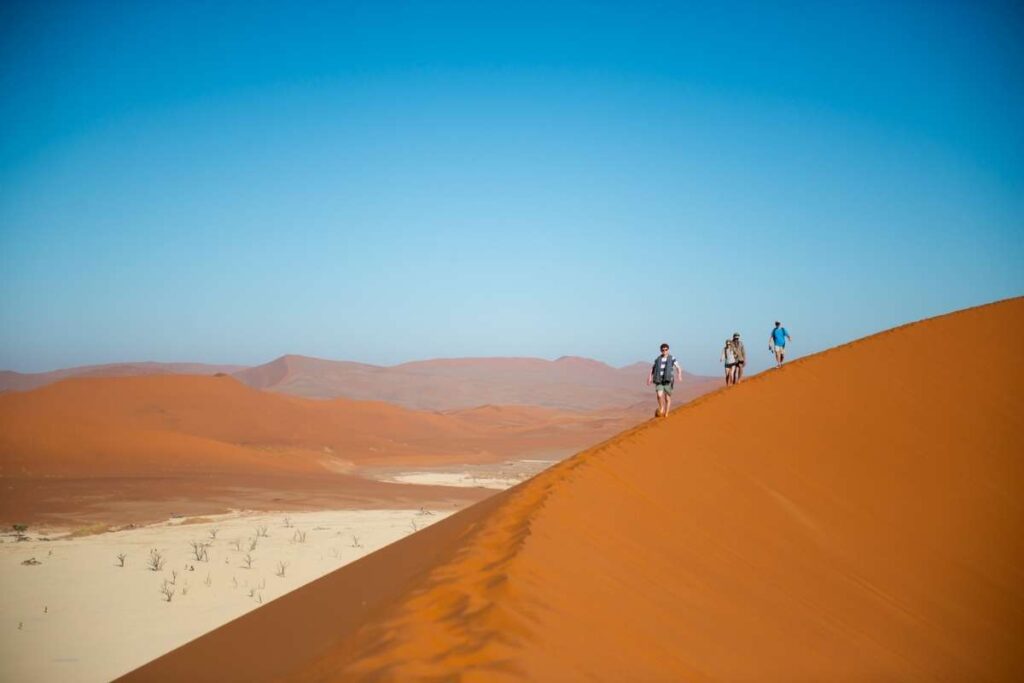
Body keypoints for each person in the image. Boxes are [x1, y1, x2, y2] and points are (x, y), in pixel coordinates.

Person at [646, 343, 683, 417]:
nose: (664, 351)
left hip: (668, 380)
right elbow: (653, 368)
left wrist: (679, 375)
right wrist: (650, 377)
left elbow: (678, 367)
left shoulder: (672, 358)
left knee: (667, 398)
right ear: (661, 350)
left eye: (666, 350)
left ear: (668, 350)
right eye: (663, 350)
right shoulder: (658, 359)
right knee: (659, 395)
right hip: (659, 380)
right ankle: (662, 407)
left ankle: (666, 413)